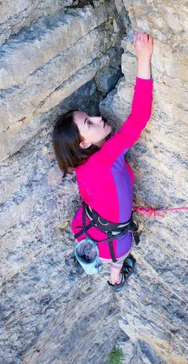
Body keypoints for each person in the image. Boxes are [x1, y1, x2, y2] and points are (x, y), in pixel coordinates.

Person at [53, 31, 153, 290]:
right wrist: (143, 58)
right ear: (83, 143)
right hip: (112, 245)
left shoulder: (81, 165)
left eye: (91, 116)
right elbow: (139, 116)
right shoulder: (107, 158)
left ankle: (111, 269)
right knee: (117, 258)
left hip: (87, 229)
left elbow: (88, 194)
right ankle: (115, 276)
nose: (98, 118)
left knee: (113, 245)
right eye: (89, 122)